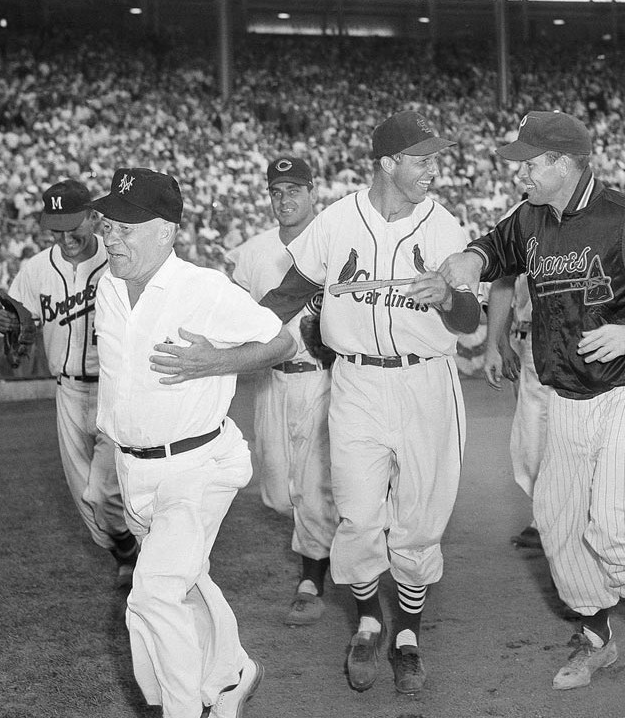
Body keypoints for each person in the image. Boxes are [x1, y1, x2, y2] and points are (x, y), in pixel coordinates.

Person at [437, 110, 625, 704]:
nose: (521, 173)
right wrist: (472, 259)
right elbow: (498, 246)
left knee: (616, 519)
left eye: (531, 163)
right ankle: (596, 637)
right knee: (559, 520)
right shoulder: (534, 217)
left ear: (564, 164)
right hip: (567, 387)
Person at [256, 110, 481, 695]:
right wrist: (228, 336)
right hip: (355, 380)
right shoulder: (336, 221)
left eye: (435, 159)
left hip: (427, 381)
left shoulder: (444, 227)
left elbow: (470, 319)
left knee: (420, 521)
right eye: (421, 159)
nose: (433, 169)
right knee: (357, 515)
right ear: (388, 162)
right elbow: (289, 294)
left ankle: (407, 634)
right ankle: (368, 621)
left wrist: (446, 298)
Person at [91, 167, 296, 718]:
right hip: (135, 471)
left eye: (126, 227)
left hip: (198, 464)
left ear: (166, 231)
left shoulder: (204, 289)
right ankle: (231, 671)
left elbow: (282, 342)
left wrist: (217, 361)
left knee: (154, 592)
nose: (111, 236)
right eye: (107, 223)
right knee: (183, 583)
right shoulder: (105, 286)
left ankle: (186, 711)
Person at [0, 179, 138, 587]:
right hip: (68, 391)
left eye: (72, 226)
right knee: (83, 496)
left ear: (94, 217)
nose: (65, 237)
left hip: (115, 387)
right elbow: (19, 322)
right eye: (55, 229)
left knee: (105, 492)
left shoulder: (120, 262)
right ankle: (124, 552)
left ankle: (133, 550)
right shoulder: (37, 269)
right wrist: (7, 323)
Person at [224, 156, 339, 627]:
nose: (285, 199)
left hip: (323, 375)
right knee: (277, 489)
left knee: (315, 486)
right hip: (273, 379)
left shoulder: (335, 242)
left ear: (313, 191)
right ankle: (336, 548)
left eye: (294, 189)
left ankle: (313, 578)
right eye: (277, 191)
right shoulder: (253, 252)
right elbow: (235, 317)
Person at [482, 273, 552, 549]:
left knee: (573, 436)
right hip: (528, 340)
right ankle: (544, 514)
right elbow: (502, 286)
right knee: (531, 439)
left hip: (577, 337)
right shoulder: (522, 230)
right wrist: (500, 345)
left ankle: (568, 517)